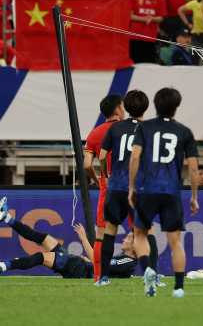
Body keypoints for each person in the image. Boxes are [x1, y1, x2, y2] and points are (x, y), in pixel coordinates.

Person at [128, 87, 200, 298]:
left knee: (139, 235)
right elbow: (194, 168)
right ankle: (178, 288)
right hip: (171, 192)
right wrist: (194, 196)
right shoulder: (184, 131)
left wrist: (131, 187)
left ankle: (148, 268)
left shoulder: (144, 127)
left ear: (156, 106)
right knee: (175, 242)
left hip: (147, 190)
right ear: (176, 108)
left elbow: (134, 158)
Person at [0, 199, 136, 279]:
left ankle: (1, 266)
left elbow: (99, 265)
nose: (124, 240)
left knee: (41, 257)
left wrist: (83, 239)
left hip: (79, 270)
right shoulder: (126, 260)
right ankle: (6, 217)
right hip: (81, 266)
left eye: (128, 239)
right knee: (45, 238)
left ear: (135, 246)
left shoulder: (128, 261)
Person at [97, 90, 154, 286]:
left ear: (124, 108)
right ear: (146, 107)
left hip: (115, 188)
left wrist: (107, 174)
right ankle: (151, 275)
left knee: (109, 233)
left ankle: (103, 278)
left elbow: (102, 156)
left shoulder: (115, 128)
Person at [83, 93, 125, 282]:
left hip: (108, 187)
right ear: (117, 111)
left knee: (102, 233)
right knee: (142, 231)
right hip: (130, 185)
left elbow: (86, 165)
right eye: (123, 107)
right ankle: (151, 275)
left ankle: (99, 277)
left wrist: (98, 179)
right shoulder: (128, 129)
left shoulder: (95, 133)